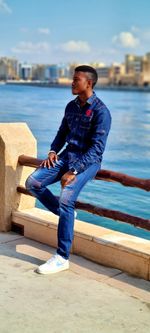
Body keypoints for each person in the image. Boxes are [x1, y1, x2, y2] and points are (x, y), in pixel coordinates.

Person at [25, 65, 111, 274]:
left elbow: (97, 148)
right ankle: (67, 215)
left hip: (88, 162)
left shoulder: (101, 112)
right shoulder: (71, 106)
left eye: (76, 80)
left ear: (88, 83)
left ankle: (62, 257)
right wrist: (54, 150)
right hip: (66, 155)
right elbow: (62, 132)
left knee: (66, 199)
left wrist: (74, 171)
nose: (71, 83)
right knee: (32, 183)